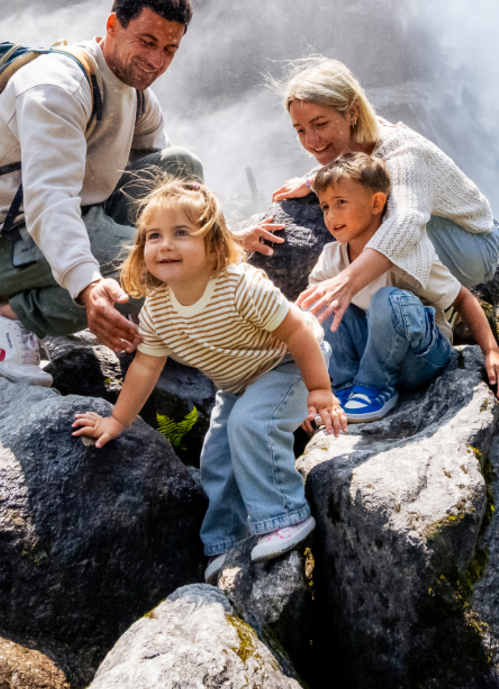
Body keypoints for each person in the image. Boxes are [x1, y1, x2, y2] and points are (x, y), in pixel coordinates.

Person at [0, 0, 279, 376]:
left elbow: (168, 193)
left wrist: (218, 241)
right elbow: (49, 202)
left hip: (88, 211)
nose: (157, 61)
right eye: (147, 41)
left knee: (181, 167)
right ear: (112, 25)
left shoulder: (137, 93)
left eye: (169, 49)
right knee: (161, 269)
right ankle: (8, 315)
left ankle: (158, 308)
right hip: (11, 242)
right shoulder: (57, 89)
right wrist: (89, 286)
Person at [72, 179, 346, 578]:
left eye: (181, 233)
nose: (165, 245)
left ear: (214, 244)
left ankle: (285, 516)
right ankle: (226, 539)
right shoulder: (158, 310)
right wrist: (117, 420)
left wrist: (319, 389)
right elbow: (145, 368)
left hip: (289, 364)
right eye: (154, 236)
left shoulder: (241, 286)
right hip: (237, 384)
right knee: (217, 457)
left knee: (252, 424)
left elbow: (298, 332)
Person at [272, 57, 499, 333]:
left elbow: (404, 222)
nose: (311, 140)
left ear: (352, 111)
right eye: (301, 130)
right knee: (356, 210)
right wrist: (312, 181)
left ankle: (438, 308)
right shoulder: (357, 142)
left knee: (378, 219)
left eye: (320, 124)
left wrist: (346, 282)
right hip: (446, 236)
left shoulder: (403, 151)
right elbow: (357, 166)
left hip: (473, 243)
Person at [307, 152, 499, 422]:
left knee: (388, 300)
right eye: (325, 207)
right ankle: (342, 388)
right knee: (319, 301)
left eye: (340, 202)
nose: (331, 215)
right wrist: (311, 389)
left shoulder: (409, 252)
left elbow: (462, 298)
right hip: (368, 352)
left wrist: (492, 353)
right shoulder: (331, 257)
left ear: (377, 203)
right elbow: (308, 325)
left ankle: (375, 388)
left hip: (418, 359)